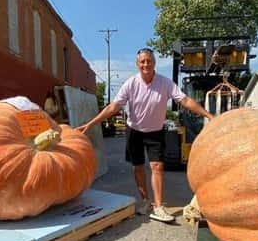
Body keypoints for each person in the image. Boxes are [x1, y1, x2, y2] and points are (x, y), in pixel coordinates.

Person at [76, 48, 214, 223]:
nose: (146, 64)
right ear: (137, 64)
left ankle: (158, 206)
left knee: (157, 166)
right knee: (138, 167)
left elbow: (185, 100)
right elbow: (113, 107)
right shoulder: (130, 84)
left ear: (154, 63)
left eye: (149, 60)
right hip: (134, 132)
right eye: (142, 61)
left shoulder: (165, 83)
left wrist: (208, 115)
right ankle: (146, 201)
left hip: (155, 132)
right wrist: (90, 124)